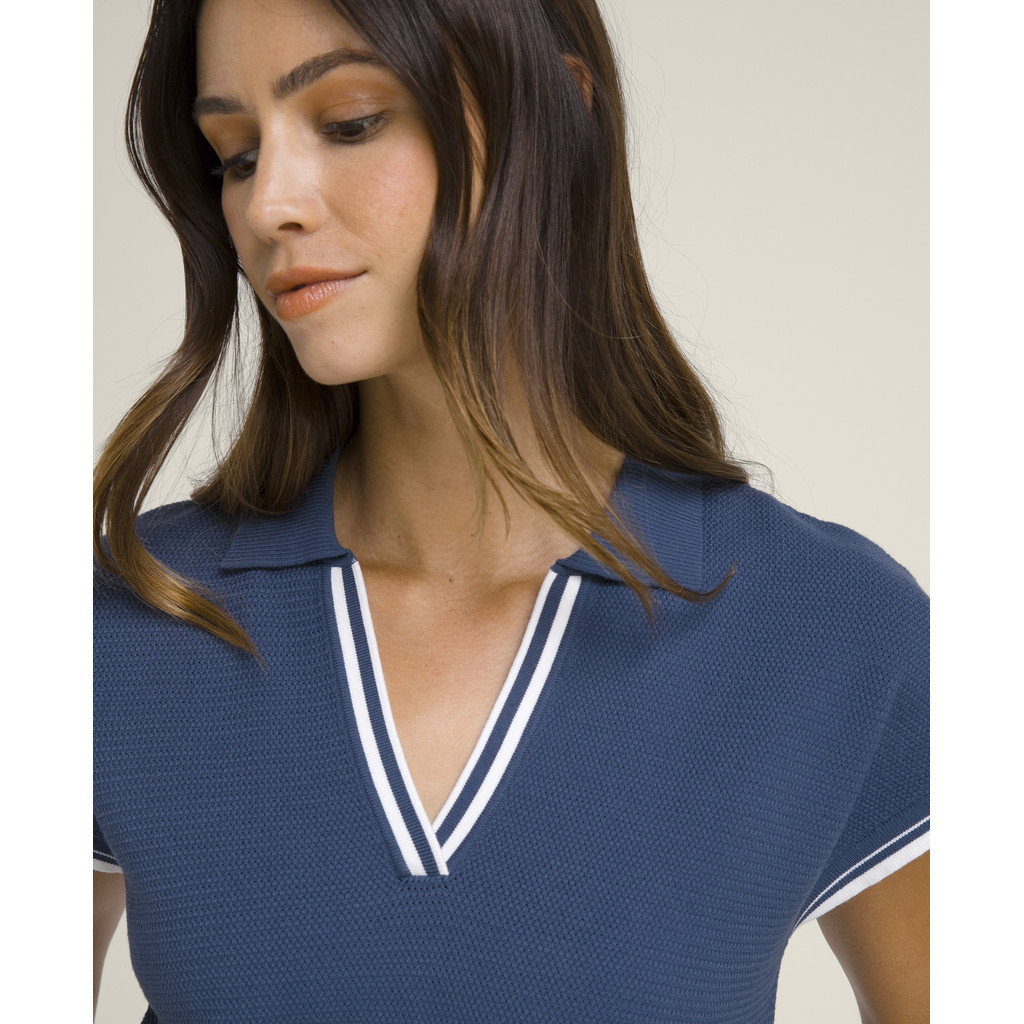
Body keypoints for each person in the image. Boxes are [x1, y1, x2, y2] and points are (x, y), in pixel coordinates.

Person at [93, 0, 929, 1021]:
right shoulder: (124, 625)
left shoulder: (833, 629)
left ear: (557, 115)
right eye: (235, 155)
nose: (269, 204)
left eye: (350, 122)